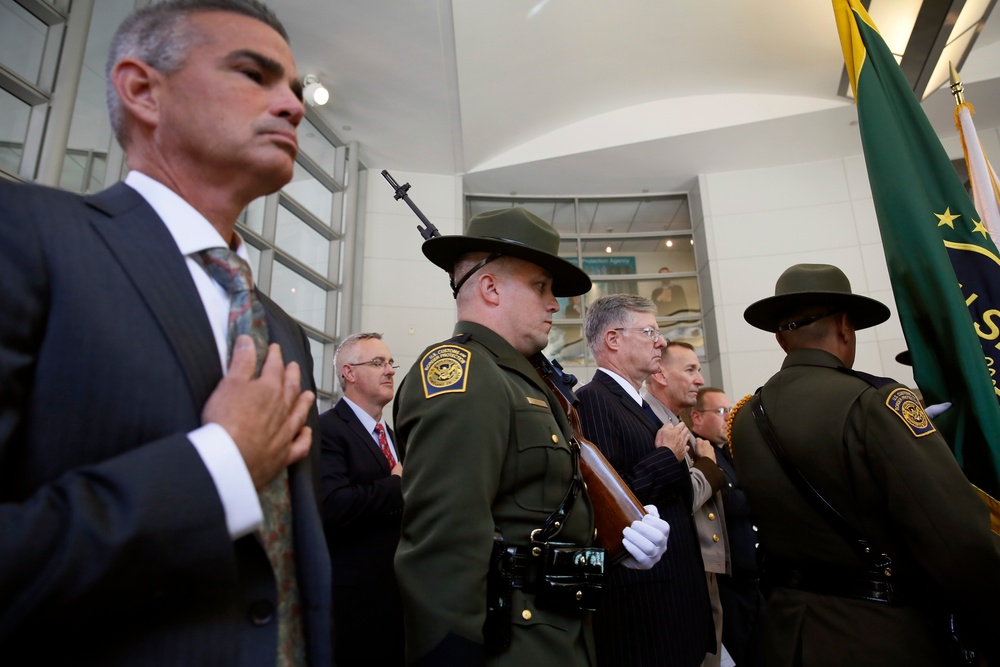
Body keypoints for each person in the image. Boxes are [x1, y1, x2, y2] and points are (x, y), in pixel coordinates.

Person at [0, 1, 332, 664]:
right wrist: (220, 465)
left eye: (294, 90)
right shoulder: (25, 235)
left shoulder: (286, 334)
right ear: (143, 90)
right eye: (254, 74)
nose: (293, 106)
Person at [392, 208, 670, 666]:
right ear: (490, 287)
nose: (554, 304)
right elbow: (443, 544)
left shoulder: (525, 381)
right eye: (540, 286)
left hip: (558, 635)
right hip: (510, 643)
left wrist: (614, 547)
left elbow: (540, 520)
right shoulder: (465, 374)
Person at [730, 263, 1000, 666]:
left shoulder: (747, 417)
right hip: (879, 636)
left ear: (781, 339)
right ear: (844, 326)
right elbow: (955, 539)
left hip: (786, 636)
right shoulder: (875, 403)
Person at [577, 294, 715, 667]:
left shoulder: (639, 405)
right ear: (613, 339)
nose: (661, 341)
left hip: (673, 599)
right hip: (644, 610)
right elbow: (607, 507)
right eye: (650, 331)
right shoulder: (592, 401)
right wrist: (667, 457)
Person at [320, 332, 404, 665]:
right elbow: (331, 505)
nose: (389, 370)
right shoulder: (326, 430)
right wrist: (396, 485)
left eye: (390, 363)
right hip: (352, 604)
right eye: (377, 363)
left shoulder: (394, 437)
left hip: (396, 598)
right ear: (349, 373)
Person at [643, 342, 729, 667]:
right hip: (678, 570)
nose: (699, 379)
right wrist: (710, 468)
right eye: (690, 370)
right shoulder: (652, 422)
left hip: (702, 568)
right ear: (661, 374)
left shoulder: (676, 424)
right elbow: (676, 498)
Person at [687, 388, 764, 667]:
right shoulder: (697, 452)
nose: (728, 417)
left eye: (729, 410)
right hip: (727, 585)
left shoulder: (727, 453)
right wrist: (758, 493)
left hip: (752, 580)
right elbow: (728, 502)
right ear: (696, 417)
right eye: (720, 411)